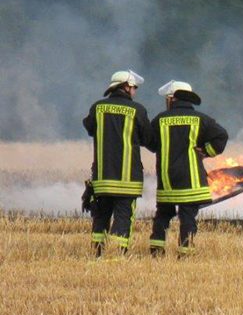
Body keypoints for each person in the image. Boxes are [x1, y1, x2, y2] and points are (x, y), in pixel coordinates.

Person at [147, 80, 228, 256]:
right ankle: (185, 254)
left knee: (162, 216)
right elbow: (222, 135)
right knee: (188, 218)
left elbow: (151, 143)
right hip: (191, 181)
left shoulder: (160, 120)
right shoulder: (201, 119)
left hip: (167, 180)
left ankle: (156, 252)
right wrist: (207, 151)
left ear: (172, 99)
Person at [82, 69, 151, 256]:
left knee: (100, 217)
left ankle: (97, 254)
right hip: (127, 179)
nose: (135, 91)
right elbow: (148, 138)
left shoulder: (98, 108)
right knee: (123, 217)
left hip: (102, 178)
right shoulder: (138, 110)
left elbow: (89, 127)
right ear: (127, 87)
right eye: (134, 87)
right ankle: (116, 255)